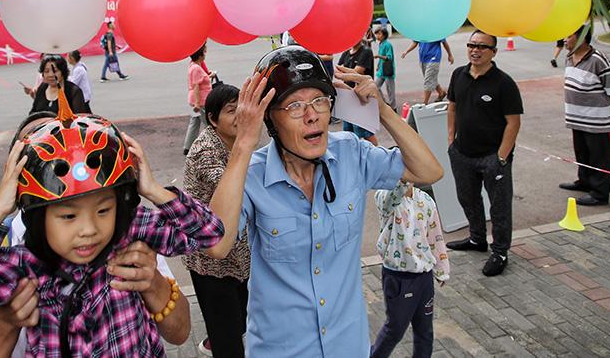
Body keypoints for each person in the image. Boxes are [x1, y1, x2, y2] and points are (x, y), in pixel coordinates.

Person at [0, 96, 225, 356]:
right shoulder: (22, 266)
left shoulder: (129, 233)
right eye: (68, 216)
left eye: (103, 209)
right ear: (34, 211)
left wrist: (155, 190)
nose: (89, 229)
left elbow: (209, 232)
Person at [205, 45, 442, 357]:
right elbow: (215, 244)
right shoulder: (250, 175)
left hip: (348, 346)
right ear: (271, 121)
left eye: (319, 101)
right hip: (283, 350)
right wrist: (243, 145)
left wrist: (382, 111)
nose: (312, 115)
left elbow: (429, 171)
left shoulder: (352, 154)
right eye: (294, 107)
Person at [445, 31, 523, 277]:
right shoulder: (459, 75)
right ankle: (477, 238)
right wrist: (451, 140)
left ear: (494, 52)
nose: (474, 50)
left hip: (492, 157)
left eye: (481, 46)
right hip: (463, 154)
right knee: (468, 199)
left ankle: (500, 252)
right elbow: (452, 107)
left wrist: (501, 157)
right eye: (471, 45)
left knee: (499, 208)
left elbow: (513, 122)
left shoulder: (504, 83)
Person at [183, 84, 250, 357]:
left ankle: (218, 333)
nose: (239, 116)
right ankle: (219, 339)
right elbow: (235, 189)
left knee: (240, 316)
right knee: (229, 341)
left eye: (241, 108)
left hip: (237, 251)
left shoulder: (236, 139)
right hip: (209, 260)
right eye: (231, 111)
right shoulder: (205, 151)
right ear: (212, 118)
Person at [370, 181, 450, 358]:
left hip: (424, 277)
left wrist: (441, 269)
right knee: (395, 329)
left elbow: (434, 235)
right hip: (398, 278)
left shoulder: (426, 200)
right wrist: (404, 175)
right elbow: (393, 197)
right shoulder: (385, 196)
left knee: (425, 331)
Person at [558, 25, 610, 206]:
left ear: (581, 38)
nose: (565, 40)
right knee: (582, 153)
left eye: (569, 36)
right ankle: (585, 181)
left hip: (596, 121)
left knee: (599, 157)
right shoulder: (569, 57)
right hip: (576, 118)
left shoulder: (598, 60)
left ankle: (599, 193)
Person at [338, 37, 377, 144]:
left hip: (361, 97)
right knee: (349, 132)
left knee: (365, 130)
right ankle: (355, 155)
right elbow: (338, 69)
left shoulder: (366, 52)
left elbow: (357, 72)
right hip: (348, 96)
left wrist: (342, 74)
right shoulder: (346, 53)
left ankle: (377, 152)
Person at [400, 39, 455, 104]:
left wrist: (450, 55)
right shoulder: (420, 31)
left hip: (434, 58)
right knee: (431, 78)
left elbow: (444, 43)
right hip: (423, 59)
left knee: (428, 80)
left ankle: (425, 103)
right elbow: (415, 42)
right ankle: (441, 93)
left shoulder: (436, 31)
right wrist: (406, 51)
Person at [184, 44, 212, 155]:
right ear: (200, 56)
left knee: (194, 123)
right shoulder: (196, 68)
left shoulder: (193, 65)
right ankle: (211, 144)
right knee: (208, 124)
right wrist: (197, 103)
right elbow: (196, 86)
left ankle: (188, 146)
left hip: (195, 99)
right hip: (201, 100)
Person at [374, 26, 396, 110]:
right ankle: (385, 103)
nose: (377, 36)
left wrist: (378, 56)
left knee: (390, 90)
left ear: (384, 35)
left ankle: (393, 108)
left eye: (379, 34)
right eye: (376, 34)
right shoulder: (381, 44)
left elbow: (389, 57)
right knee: (375, 86)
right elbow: (381, 58)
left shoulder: (388, 44)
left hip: (388, 70)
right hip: (381, 70)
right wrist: (378, 65)